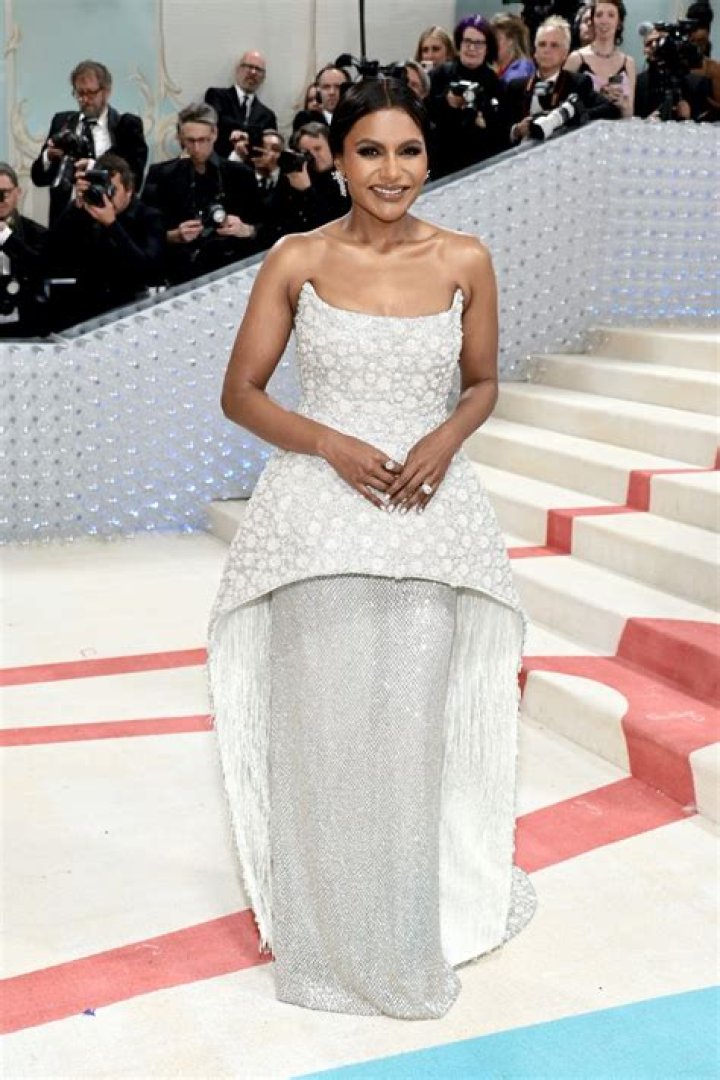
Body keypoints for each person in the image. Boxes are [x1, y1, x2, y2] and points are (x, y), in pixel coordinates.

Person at [208, 76, 535, 1020]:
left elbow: (481, 383)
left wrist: (445, 438)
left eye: (409, 151)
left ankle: (403, 937)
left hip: (430, 521)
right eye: (370, 151)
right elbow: (242, 394)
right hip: (316, 523)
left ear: (428, 159)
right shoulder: (297, 258)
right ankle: (323, 946)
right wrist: (331, 443)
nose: (392, 171)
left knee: (409, 739)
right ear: (338, 161)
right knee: (322, 741)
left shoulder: (466, 257)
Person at [142, 103, 261, 284]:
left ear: (215, 134)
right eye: (190, 141)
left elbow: (265, 227)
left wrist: (245, 229)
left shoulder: (241, 174)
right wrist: (174, 236)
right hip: (180, 275)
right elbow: (144, 233)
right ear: (180, 137)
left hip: (231, 271)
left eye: (203, 140)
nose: (197, 148)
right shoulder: (160, 175)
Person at [46, 152, 164, 329]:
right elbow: (51, 253)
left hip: (130, 310)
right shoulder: (85, 213)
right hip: (86, 310)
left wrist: (112, 225)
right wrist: (75, 207)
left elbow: (147, 270)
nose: (106, 196)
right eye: (102, 187)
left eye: (112, 189)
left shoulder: (149, 217)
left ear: (129, 190)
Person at [30, 60, 147, 226]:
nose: (84, 99)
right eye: (79, 93)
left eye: (91, 93)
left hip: (109, 221)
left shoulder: (126, 126)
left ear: (106, 91)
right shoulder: (62, 122)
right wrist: (47, 157)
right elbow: (38, 178)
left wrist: (94, 168)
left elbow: (135, 179)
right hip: (65, 222)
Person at [507, 16, 621, 143]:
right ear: (535, 52)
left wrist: (572, 116)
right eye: (542, 44)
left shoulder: (577, 83)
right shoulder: (516, 87)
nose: (546, 50)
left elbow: (611, 110)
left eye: (554, 45)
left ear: (565, 54)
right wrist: (517, 130)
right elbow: (500, 127)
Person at [428, 15, 509, 177]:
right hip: (443, 163)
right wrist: (447, 103)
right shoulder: (440, 75)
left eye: (478, 43)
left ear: (487, 48)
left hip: (481, 165)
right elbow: (427, 113)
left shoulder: (496, 84)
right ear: (459, 43)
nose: (472, 48)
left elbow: (502, 131)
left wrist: (482, 120)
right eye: (467, 41)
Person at [564, 0, 636, 117]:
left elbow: (629, 113)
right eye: (599, 15)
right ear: (592, 21)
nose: (604, 20)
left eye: (611, 15)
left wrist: (623, 105)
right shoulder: (576, 58)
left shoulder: (628, 63)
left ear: (619, 23)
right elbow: (562, 105)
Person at [0, 163, 48, 337]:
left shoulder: (36, 233)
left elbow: (39, 268)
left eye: (5, 193)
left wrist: (5, 236)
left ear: (18, 193)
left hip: (24, 327)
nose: (1, 200)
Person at [204, 52, 278, 158]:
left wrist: (246, 135)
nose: (253, 72)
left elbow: (269, 146)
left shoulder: (268, 116)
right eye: (249, 66)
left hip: (249, 166)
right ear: (238, 70)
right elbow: (216, 125)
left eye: (258, 69)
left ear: (263, 77)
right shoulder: (217, 96)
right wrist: (252, 134)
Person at [634, 26, 711, 121]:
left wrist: (689, 119)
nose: (654, 47)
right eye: (649, 44)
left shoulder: (696, 84)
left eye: (659, 42)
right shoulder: (638, 83)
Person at [292, 65, 350, 130]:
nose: (332, 92)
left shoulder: (356, 119)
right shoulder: (306, 119)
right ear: (318, 93)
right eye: (326, 87)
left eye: (338, 87)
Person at [491, 13, 535, 83]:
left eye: (496, 39)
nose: (491, 44)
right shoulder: (497, 71)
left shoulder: (522, 68)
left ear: (510, 40)